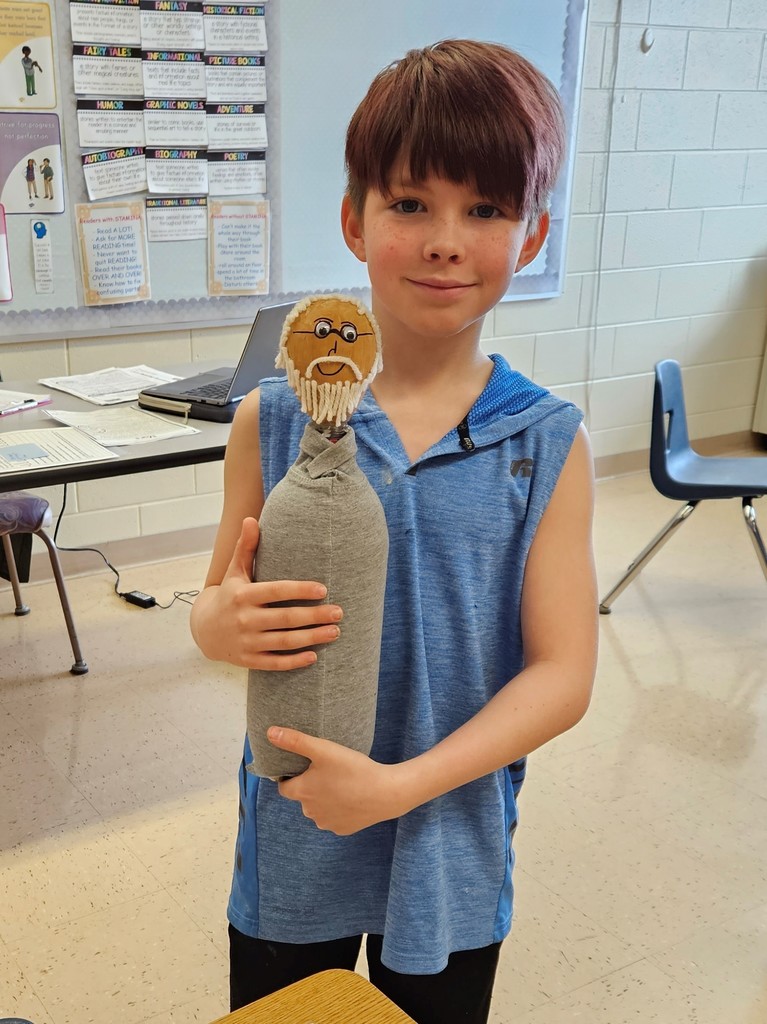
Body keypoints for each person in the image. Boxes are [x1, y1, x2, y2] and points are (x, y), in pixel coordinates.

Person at [190, 38, 598, 1024]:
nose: (445, 241)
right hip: (295, 829)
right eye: (410, 203)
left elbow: (562, 674)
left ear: (531, 235)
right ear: (354, 221)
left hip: (449, 835)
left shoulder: (545, 441)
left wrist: (400, 786)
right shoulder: (272, 420)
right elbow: (212, 604)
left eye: (486, 210)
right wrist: (218, 624)